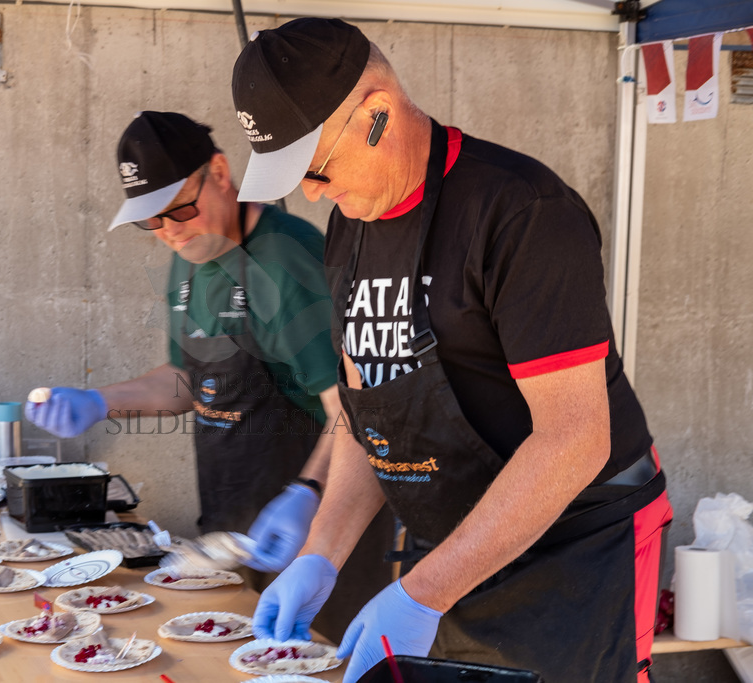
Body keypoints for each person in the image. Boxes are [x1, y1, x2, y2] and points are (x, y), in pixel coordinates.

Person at [230, 18, 673, 683]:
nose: (315, 194)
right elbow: (367, 411)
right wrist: (321, 552)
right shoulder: (349, 228)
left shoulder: (520, 213)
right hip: (464, 549)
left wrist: (422, 592)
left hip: (580, 551)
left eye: (317, 169)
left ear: (376, 115)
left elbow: (575, 439)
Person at [25, 110, 392, 641]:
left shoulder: (286, 262)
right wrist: (98, 400)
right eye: (152, 221)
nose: (169, 232)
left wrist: (307, 492)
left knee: (311, 661)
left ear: (219, 173)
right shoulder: (190, 253)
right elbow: (185, 380)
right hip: (230, 523)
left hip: (319, 529)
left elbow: (353, 406)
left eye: (179, 210)